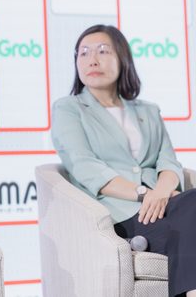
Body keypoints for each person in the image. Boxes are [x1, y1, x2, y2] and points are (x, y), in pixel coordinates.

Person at [51, 24, 196, 297]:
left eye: (102, 51)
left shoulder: (148, 111)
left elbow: (168, 161)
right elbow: (85, 166)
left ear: (122, 58)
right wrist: (144, 193)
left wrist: (161, 192)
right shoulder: (68, 109)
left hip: (166, 205)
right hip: (122, 213)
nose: (92, 59)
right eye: (84, 53)